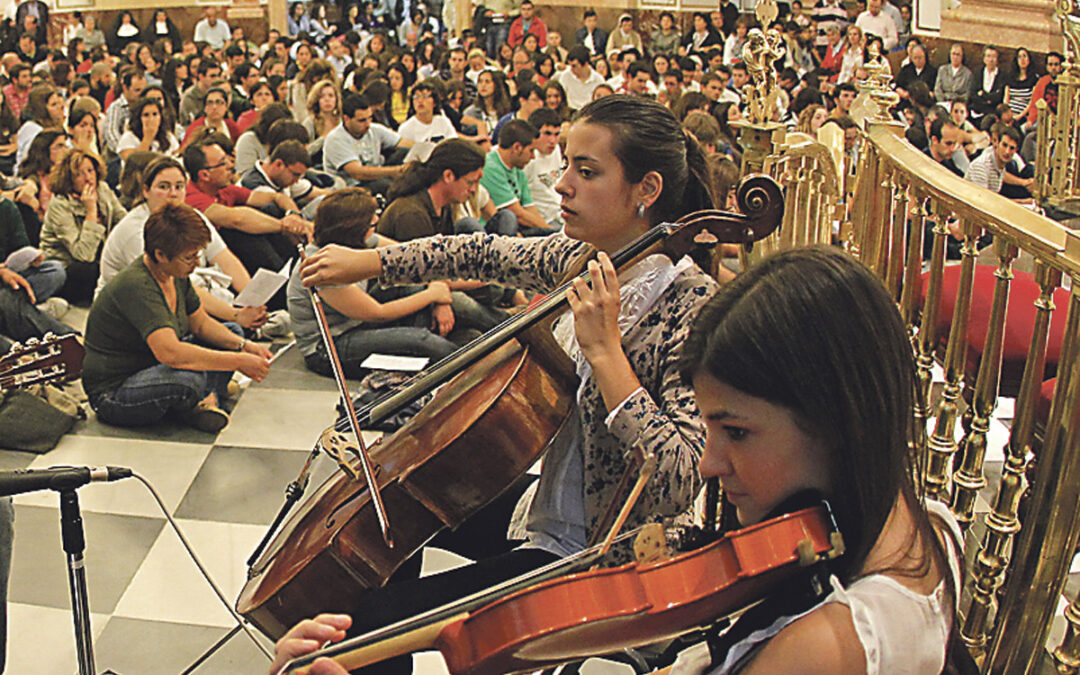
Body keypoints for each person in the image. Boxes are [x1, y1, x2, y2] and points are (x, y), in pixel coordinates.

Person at [283, 94, 721, 675]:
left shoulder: (689, 304)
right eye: (565, 164)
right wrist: (371, 265)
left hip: (600, 557)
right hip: (546, 509)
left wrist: (606, 352)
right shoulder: (584, 257)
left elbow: (681, 474)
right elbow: (482, 251)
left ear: (648, 190)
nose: (562, 185)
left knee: (371, 626)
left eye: (586, 172)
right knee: (390, 513)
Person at [84, 203, 271, 432]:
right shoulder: (137, 285)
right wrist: (238, 361)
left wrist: (244, 346)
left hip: (153, 366)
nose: (195, 263)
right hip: (114, 391)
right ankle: (203, 399)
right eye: (189, 257)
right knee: (188, 378)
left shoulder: (174, 274)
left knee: (232, 332)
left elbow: (201, 324)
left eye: (197, 255)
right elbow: (170, 353)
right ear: (161, 255)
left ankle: (202, 401)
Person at [97, 156, 266, 332]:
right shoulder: (136, 231)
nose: (173, 193)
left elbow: (225, 259)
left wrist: (251, 302)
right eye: (164, 187)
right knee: (232, 330)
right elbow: (179, 288)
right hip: (133, 313)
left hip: (186, 298)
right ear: (146, 191)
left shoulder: (190, 216)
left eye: (179, 187)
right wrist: (235, 315)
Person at [39, 149, 127, 303]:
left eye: (90, 171)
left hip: (98, 256)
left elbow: (123, 223)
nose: (88, 178)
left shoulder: (103, 189)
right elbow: (83, 254)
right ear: (69, 179)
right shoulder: (60, 204)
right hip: (68, 267)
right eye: (79, 174)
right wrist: (91, 210)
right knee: (89, 271)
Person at [323, 92, 414, 196]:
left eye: (370, 118)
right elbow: (357, 173)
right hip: (351, 188)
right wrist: (395, 171)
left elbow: (405, 143)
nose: (368, 124)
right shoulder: (336, 139)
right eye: (362, 121)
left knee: (405, 152)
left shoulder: (374, 129)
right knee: (389, 186)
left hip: (375, 178)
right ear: (347, 119)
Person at [117, 96, 179, 161]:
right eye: (146, 115)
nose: (151, 119)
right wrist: (148, 138)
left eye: (155, 114)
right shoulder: (129, 137)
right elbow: (134, 164)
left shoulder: (169, 137)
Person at [397, 80, 458, 144]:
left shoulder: (443, 122)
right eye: (416, 97)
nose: (420, 100)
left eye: (425, 96)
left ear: (434, 102)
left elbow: (453, 143)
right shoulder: (406, 129)